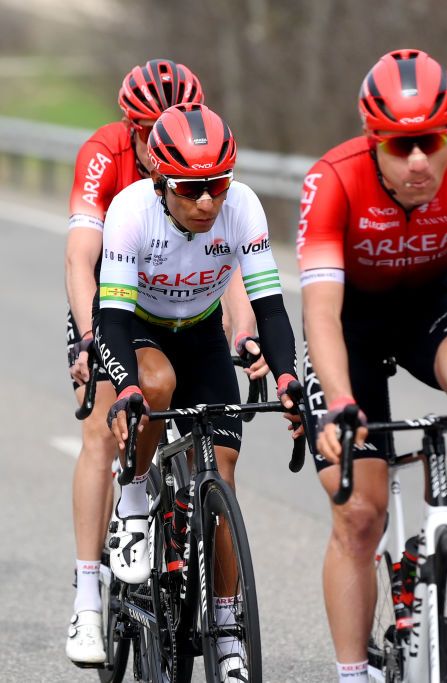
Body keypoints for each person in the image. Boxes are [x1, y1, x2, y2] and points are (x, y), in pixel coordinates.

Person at [298, 49, 447, 683]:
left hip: (429, 302)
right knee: (360, 517)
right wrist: (339, 400)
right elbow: (321, 314)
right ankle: (352, 672)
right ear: (373, 142)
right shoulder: (332, 179)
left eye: (432, 141)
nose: (419, 160)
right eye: (401, 145)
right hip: (350, 324)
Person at [95, 102, 299, 683]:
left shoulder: (243, 208)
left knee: (223, 476)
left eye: (218, 184)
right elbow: (110, 317)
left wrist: (286, 377)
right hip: (138, 326)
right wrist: (127, 387)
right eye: (191, 188)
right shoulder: (130, 211)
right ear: (161, 181)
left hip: (202, 331)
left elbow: (270, 308)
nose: (208, 200)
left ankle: (228, 626)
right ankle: (134, 498)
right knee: (156, 385)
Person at [63, 58, 208, 666]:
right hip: (110, 297)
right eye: (148, 132)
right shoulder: (105, 154)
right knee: (102, 429)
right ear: (131, 128)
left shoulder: (195, 159)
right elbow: (80, 258)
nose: (159, 143)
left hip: (179, 295)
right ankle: (89, 598)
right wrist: (90, 336)